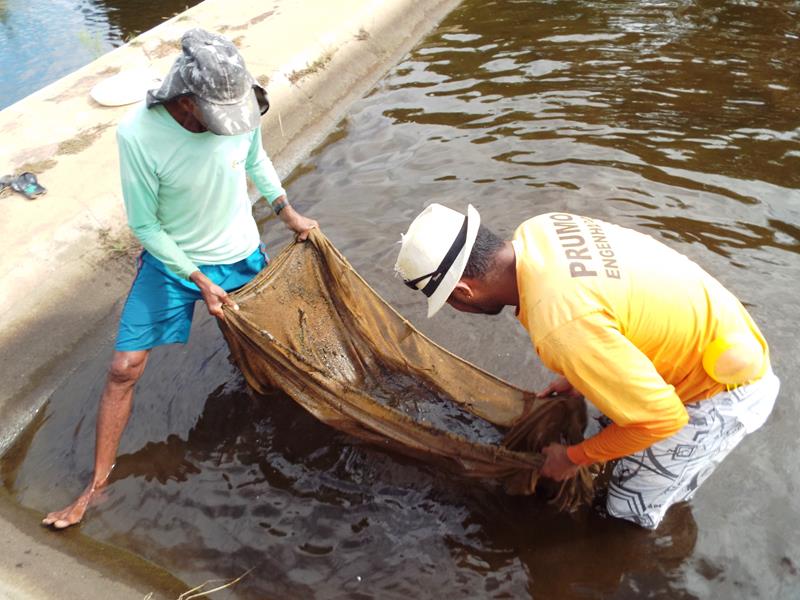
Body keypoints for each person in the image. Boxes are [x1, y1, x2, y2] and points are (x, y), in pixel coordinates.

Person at [43, 29, 318, 529]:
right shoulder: (138, 135)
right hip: (172, 261)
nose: (229, 123)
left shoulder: (241, 110)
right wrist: (196, 277)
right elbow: (145, 225)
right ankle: (97, 484)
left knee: (259, 347)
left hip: (238, 254)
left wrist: (287, 211)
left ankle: (267, 408)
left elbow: (255, 158)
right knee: (123, 368)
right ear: (187, 100)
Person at [394, 204, 779, 528]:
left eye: (450, 301)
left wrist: (571, 459)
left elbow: (663, 420)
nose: (457, 308)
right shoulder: (542, 228)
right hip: (723, 332)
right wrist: (581, 374)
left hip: (719, 393)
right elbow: (610, 306)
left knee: (624, 512)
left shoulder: (561, 326)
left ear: (464, 290)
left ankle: (650, 551)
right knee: (619, 434)